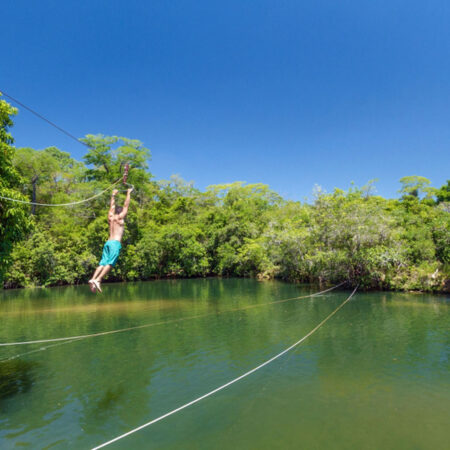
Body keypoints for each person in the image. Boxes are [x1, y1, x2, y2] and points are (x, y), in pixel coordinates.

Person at [89, 187, 133, 292]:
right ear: (120, 211)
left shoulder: (111, 217)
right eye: (121, 209)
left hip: (108, 243)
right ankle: (98, 280)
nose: (122, 209)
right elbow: (126, 205)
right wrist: (128, 193)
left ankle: (93, 278)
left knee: (102, 263)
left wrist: (113, 195)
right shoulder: (120, 217)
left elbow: (112, 206)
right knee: (110, 263)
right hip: (115, 244)